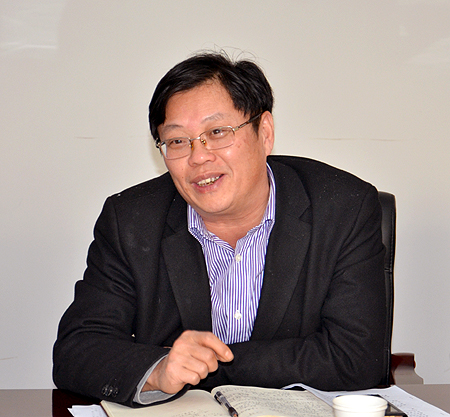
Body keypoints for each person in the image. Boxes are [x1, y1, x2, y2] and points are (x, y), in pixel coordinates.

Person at [53, 51, 387, 407]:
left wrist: (206, 366)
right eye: (178, 141)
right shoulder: (131, 220)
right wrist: (158, 370)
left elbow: (357, 358)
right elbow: (78, 350)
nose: (198, 156)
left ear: (265, 133)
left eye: (216, 132)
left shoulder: (343, 208)